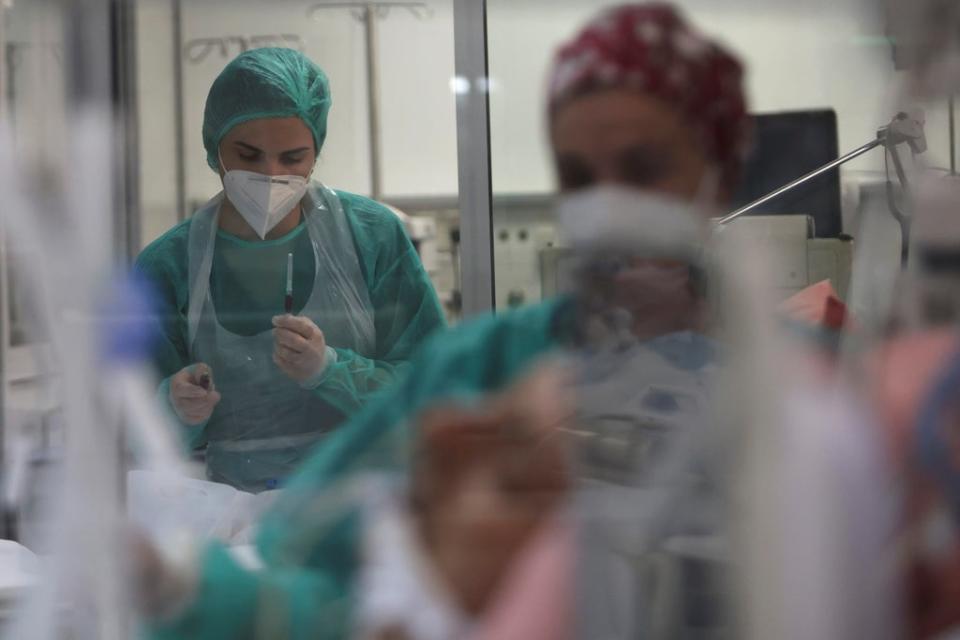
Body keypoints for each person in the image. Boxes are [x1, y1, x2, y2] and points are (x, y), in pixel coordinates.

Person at [138, 4, 757, 637]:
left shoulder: (796, 385)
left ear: (722, 172)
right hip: (237, 509)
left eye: (644, 167)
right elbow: (318, 560)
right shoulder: (495, 359)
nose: (610, 201)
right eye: (577, 174)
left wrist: (333, 371)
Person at [135, 47, 445, 493]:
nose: (270, 174)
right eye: (249, 154)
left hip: (364, 504)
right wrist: (176, 406)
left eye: (292, 158)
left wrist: (333, 370)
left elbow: (430, 389)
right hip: (237, 513)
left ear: (315, 154)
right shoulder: (168, 265)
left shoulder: (372, 236)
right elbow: (137, 425)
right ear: (213, 148)